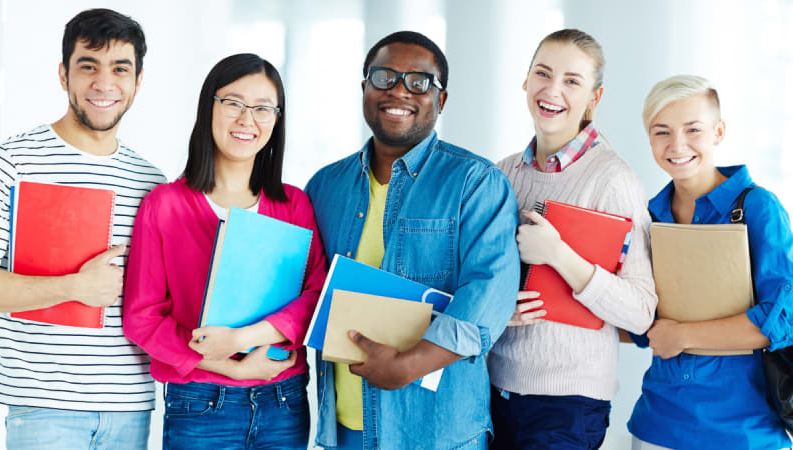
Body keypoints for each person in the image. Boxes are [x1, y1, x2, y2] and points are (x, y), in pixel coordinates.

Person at [305, 31, 520, 449]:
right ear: (364, 88)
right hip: (345, 430)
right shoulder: (324, 186)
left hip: (437, 432)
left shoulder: (475, 182)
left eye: (419, 81)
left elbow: (488, 294)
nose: (399, 90)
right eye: (384, 77)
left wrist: (409, 365)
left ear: (440, 100)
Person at [122, 53, 327, 450]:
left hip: (283, 402)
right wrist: (223, 363)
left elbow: (316, 297)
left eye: (263, 108)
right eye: (233, 103)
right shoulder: (164, 205)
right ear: (208, 107)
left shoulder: (294, 205)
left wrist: (242, 338)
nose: (247, 120)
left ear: (276, 119)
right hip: (200, 405)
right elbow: (143, 319)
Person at [0, 9, 165, 449]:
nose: (104, 84)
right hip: (43, 409)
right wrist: (75, 287)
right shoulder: (12, 163)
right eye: (88, 66)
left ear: (138, 81)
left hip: (131, 409)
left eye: (119, 69)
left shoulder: (152, 183)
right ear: (63, 74)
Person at [488, 29, 657, 449]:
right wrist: (496, 309)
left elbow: (640, 313)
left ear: (594, 99)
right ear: (526, 81)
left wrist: (559, 255)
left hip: (567, 405)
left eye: (572, 81)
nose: (553, 90)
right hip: (492, 391)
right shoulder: (502, 174)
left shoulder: (613, 180)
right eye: (543, 73)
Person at [626, 75, 793, 450]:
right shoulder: (649, 216)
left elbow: (782, 321)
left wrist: (683, 335)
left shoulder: (757, 208)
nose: (677, 145)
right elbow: (644, 326)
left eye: (693, 129)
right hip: (657, 426)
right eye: (662, 131)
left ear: (718, 132)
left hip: (743, 432)